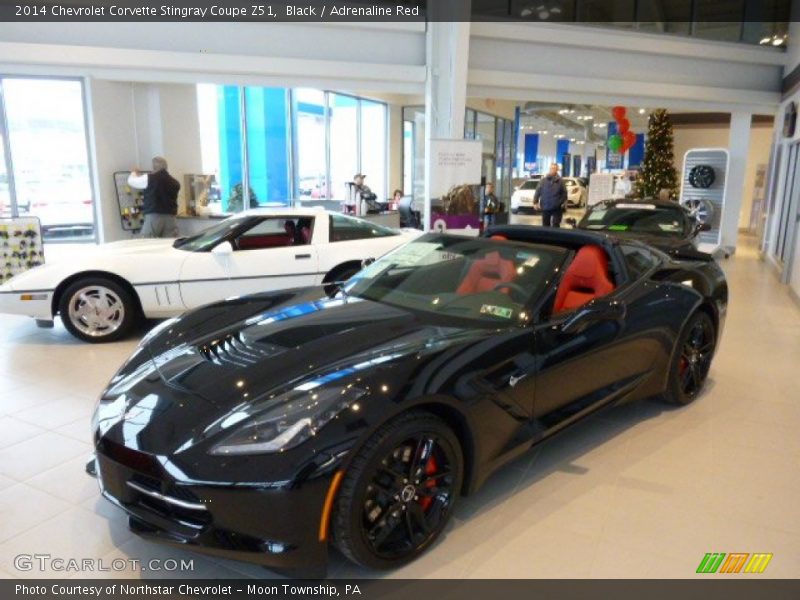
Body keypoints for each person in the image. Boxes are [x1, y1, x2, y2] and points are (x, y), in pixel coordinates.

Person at [128, 156, 181, 238]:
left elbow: (132, 181)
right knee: (169, 243)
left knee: (148, 242)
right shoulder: (175, 182)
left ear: (154, 167)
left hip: (154, 217)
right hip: (171, 218)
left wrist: (134, 173)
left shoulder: (149, 178)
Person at [534, 163, 567, 227]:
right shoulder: (543, 180)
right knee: (545, 226)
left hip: (556, 208)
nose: (553, 170)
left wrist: (560, 202)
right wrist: (535, 202)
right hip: (545, 206)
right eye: (551, 168)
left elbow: (564, 193)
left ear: (557, 170)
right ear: (549, 169)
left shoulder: (560, 181)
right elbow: (538, 191)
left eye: (554, 168)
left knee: (556, 225)